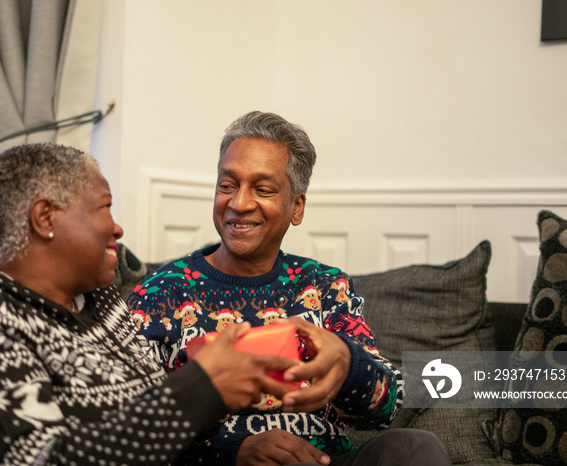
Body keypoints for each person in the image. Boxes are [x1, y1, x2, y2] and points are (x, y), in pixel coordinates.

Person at [0, 142, 304, 466]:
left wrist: (218, 402)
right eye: (103, 207)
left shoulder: (100, 301)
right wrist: (200, 388)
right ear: (45, 217)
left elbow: (150, 432)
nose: (116, 227)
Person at [129, 111, 452, 465]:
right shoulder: (161, 294)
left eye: (263, 189)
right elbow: (131, 429)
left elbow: (384, 408)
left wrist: (346, 365)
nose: (238, 203)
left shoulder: (325, 286)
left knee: (415, 448)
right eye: (227, 185)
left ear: (296, 207)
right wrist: (230, 452)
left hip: (326, 460)